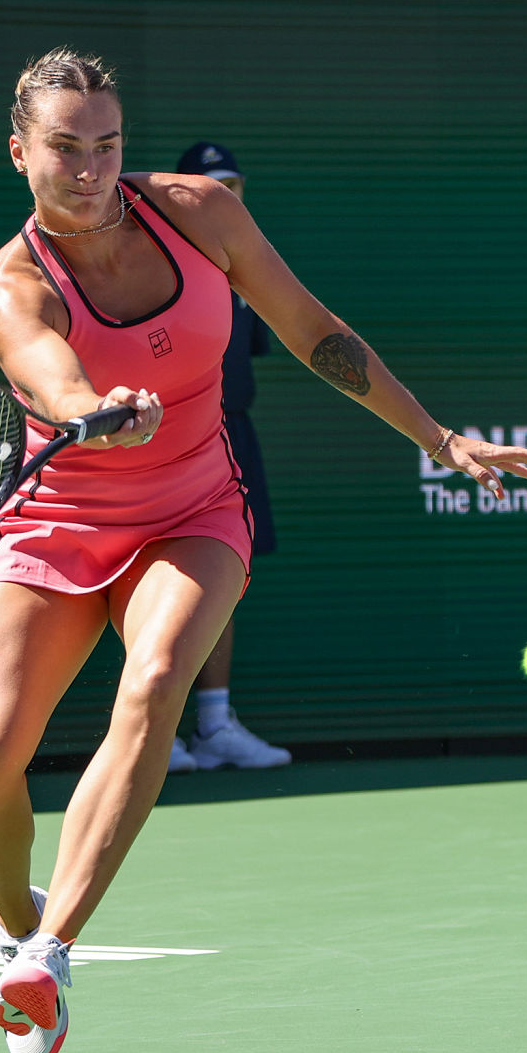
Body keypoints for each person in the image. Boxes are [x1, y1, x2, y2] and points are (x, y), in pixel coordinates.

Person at [0, 49, 527, 1053]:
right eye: (64, 150)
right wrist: (87, 412)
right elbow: (47, 376)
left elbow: (311, 328)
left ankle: (47, 957)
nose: (91, 170)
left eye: (106, 145)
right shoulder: (10, 288)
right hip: (55, 521)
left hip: (191, 506)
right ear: (19, 154)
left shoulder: (199, 214)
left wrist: (438, 439)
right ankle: (19, 919)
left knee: (150, 686)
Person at [167, 140, 287, 773]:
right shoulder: (157, 272)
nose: (228, 199)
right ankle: (155, 732)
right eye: (214, 187)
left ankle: (213, 725)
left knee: (228, 581)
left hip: (234, 433)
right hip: (172, 440)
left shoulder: (245, 274)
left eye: (235, 186)